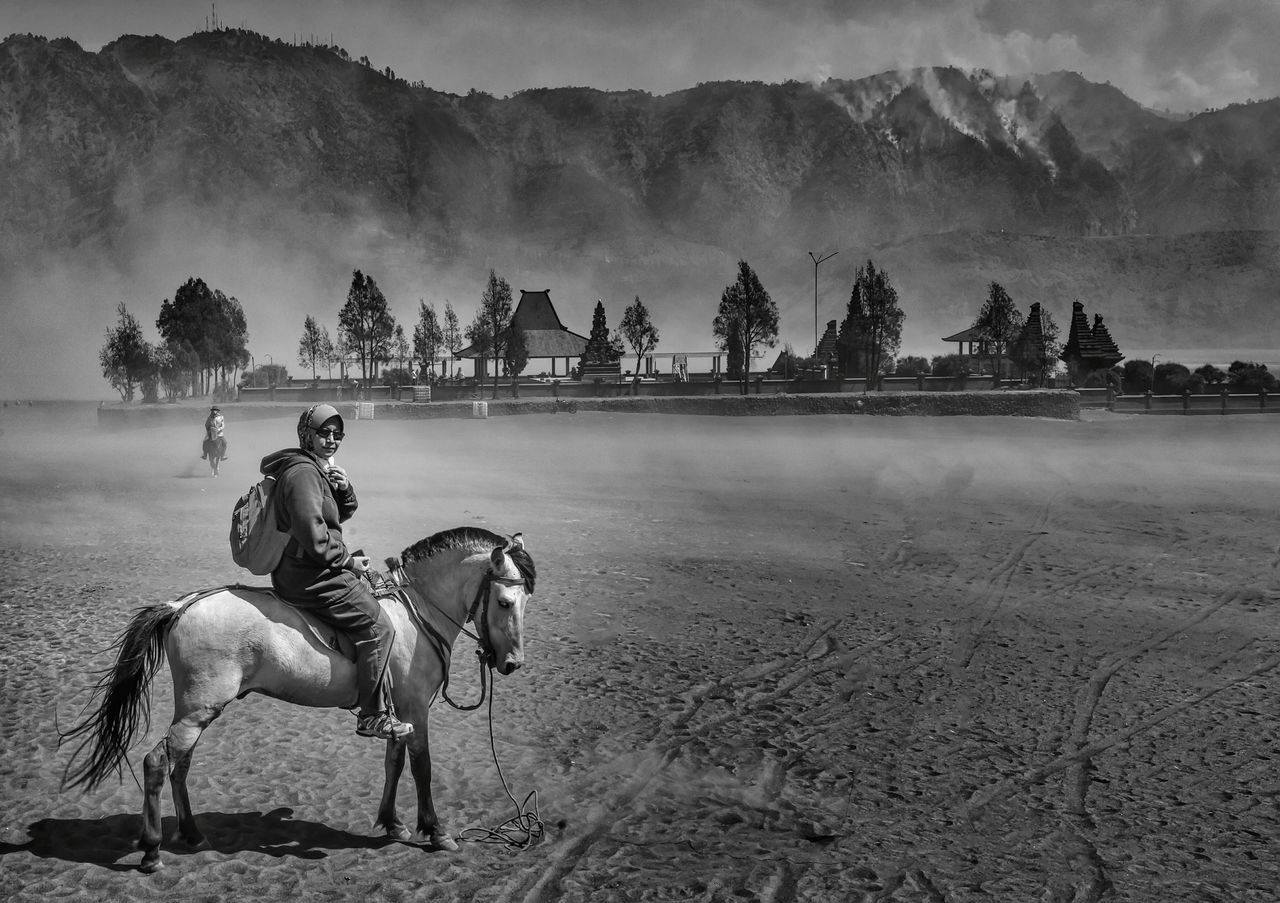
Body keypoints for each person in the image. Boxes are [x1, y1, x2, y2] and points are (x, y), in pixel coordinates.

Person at [259, 403, 413, 741]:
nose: (331, 440)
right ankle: (372, 715)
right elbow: (315, 536)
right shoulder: (302, 474)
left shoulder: (315, 470)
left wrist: (343, 489)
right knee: (379, 626)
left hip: (311, 566)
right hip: (309, 574)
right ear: (306, 435)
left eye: (337, 434)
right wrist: (348, 562)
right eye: (324, 433)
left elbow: (333, 518)